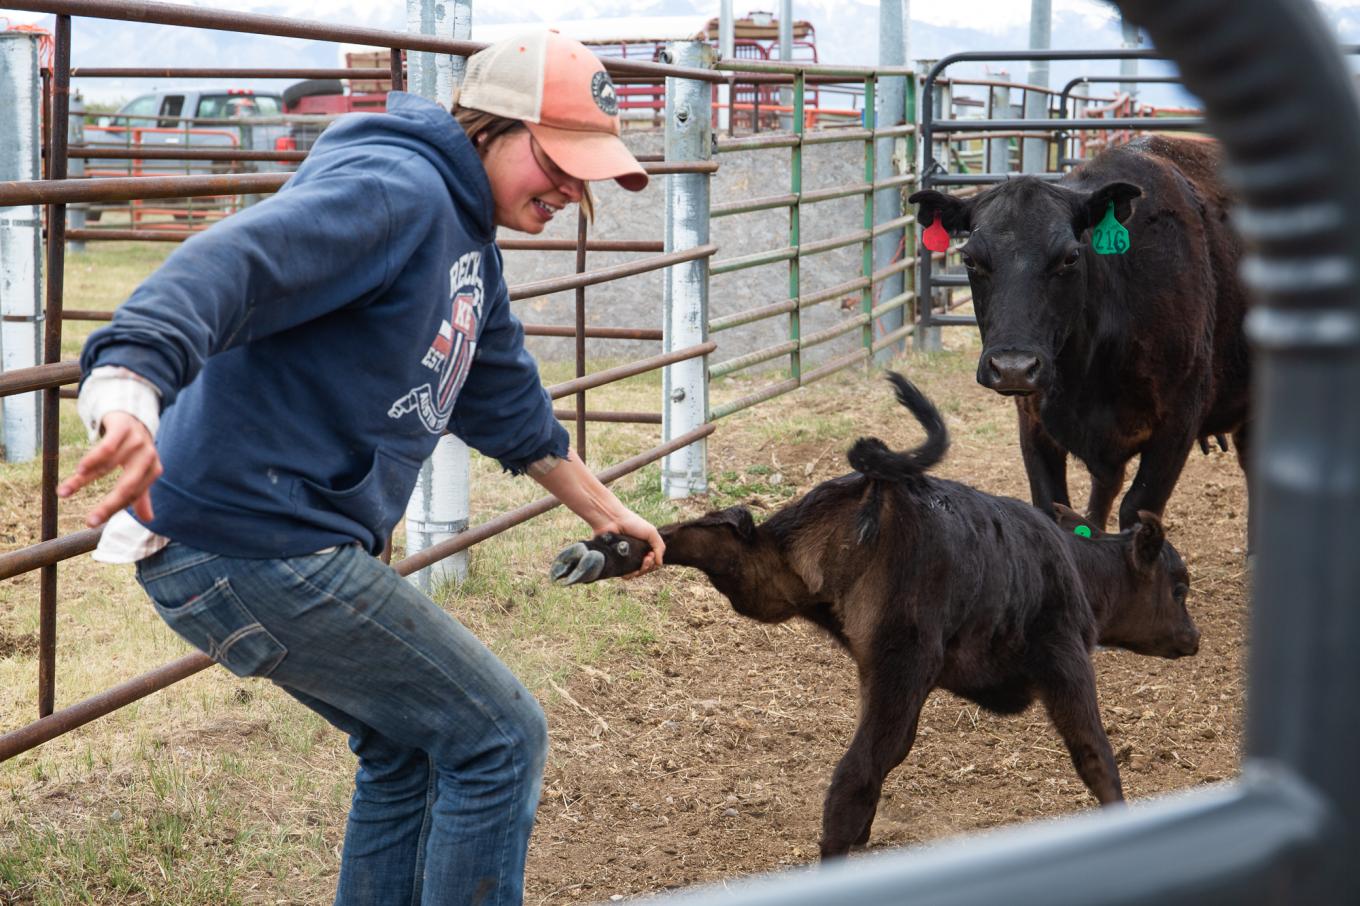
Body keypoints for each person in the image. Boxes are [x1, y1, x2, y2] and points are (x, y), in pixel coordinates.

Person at [58, 30, 664, 906]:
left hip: (249, 540)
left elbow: (508, 405)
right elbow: (233, 264)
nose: (574, 188)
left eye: (589, 169)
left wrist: (609, 515)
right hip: (249, 539)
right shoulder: (396, 190)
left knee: (408, 747)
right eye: (559, 160)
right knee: (499, 736)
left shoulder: (467, 247)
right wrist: (129, 387)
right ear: (490, 128)